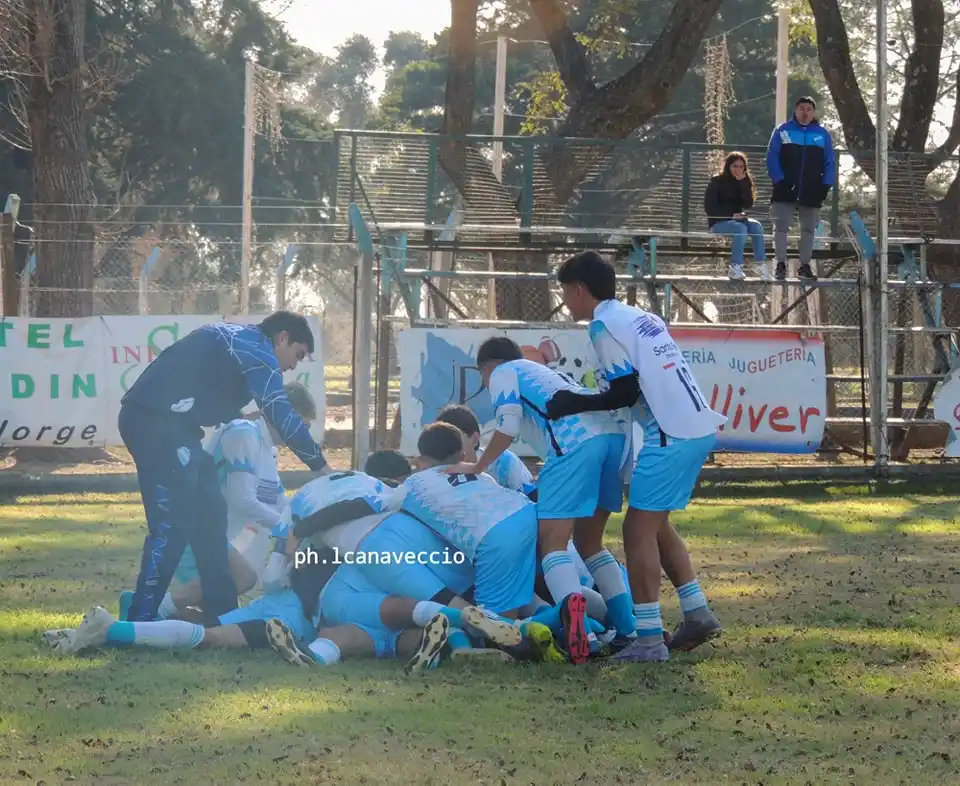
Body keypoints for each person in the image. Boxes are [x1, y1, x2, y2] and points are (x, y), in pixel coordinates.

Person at [551, 251, 725, 663]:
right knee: (656, 524)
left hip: (671, 433)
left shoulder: (603, 326)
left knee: (636, 531)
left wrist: (570, 402)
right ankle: (697, 612)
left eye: (565, 294)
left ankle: (648, 639)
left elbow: (625, 392)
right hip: (693, 426)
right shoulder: (637, 316)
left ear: (579, 290)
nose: (566, 303)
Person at [117, 311, 329, 624]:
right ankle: (140, 619)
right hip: (155, 422)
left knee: (210, 518)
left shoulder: (240, 341)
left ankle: (225, 617)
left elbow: (211, 384)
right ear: (281, 337)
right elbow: (279, 409)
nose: (293, 366)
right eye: (296, 355)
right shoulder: (257, 349)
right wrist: (321, 466)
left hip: (176, 427)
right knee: (171, 525)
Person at [443, 339, 637, 664]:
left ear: (487, 368)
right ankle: (628, 631)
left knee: (553, 544)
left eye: (483, 377)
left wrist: (478, 465)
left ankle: (582, 634)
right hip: (613, 440)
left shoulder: (504, 372)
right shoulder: (544, 374)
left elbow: (507, 425)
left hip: (573, 444)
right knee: (590, 542)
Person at [766, 96, 836, 281]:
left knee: (808, 230)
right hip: (785, 188)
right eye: (802, 108)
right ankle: (780, 264)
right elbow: (772, 157)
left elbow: (830, 161)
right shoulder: (782, 130)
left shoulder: (822, 134)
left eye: (809, 109)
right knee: (781, 227)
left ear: (813, 112)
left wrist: (826, 184)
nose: (805, 112)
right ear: (795, 110)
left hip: (812, 189)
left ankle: (804, 266)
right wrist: (779, 180)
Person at [434, 404, 536, 497]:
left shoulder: (503, 461)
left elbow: (532, 497)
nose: (447, 445)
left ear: (474, 438)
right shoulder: (438, 469)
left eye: (453, 438)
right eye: (442, 439)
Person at [704, 152, 770, 282]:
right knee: (740, 228)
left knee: (756, 226)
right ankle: (735, 267)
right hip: (718, 222)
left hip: (738, 220)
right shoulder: (717, 181)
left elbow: (748, 203)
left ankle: (761, 265)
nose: (738, 169)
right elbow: (709, 207)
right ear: (728, 166)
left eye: (741, 166)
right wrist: (731, 215)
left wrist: (743, 184)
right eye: (735, 166)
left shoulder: (744, 181)